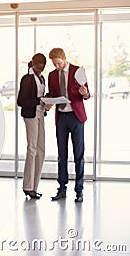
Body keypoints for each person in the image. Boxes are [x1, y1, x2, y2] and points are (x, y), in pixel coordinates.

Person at [47, 47, 90, 203]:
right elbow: (51, 94)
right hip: (61, 119)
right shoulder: (52, 75)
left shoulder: (78, 71)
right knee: (61, 154)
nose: (57, 67)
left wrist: (84, 92)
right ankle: (62, 188)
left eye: (58, 63)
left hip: (76, 117)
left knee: (79, 155)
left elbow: (87, 94)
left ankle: (79, 190)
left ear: (64, 58)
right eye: (54, 64)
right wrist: (48, 103)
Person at [17, 53, 50, 199]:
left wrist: (46, 100)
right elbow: (21, 100)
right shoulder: (27, 79)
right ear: (34, 64)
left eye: (43, 66)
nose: (41, 68)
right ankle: (27, 186)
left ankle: (34, 186)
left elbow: (40, 97)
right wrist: (39, 100)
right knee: (32, 148)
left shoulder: (42, 78)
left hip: (41, 114)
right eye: (39, 66)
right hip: (30, 115)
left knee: (41, 150)